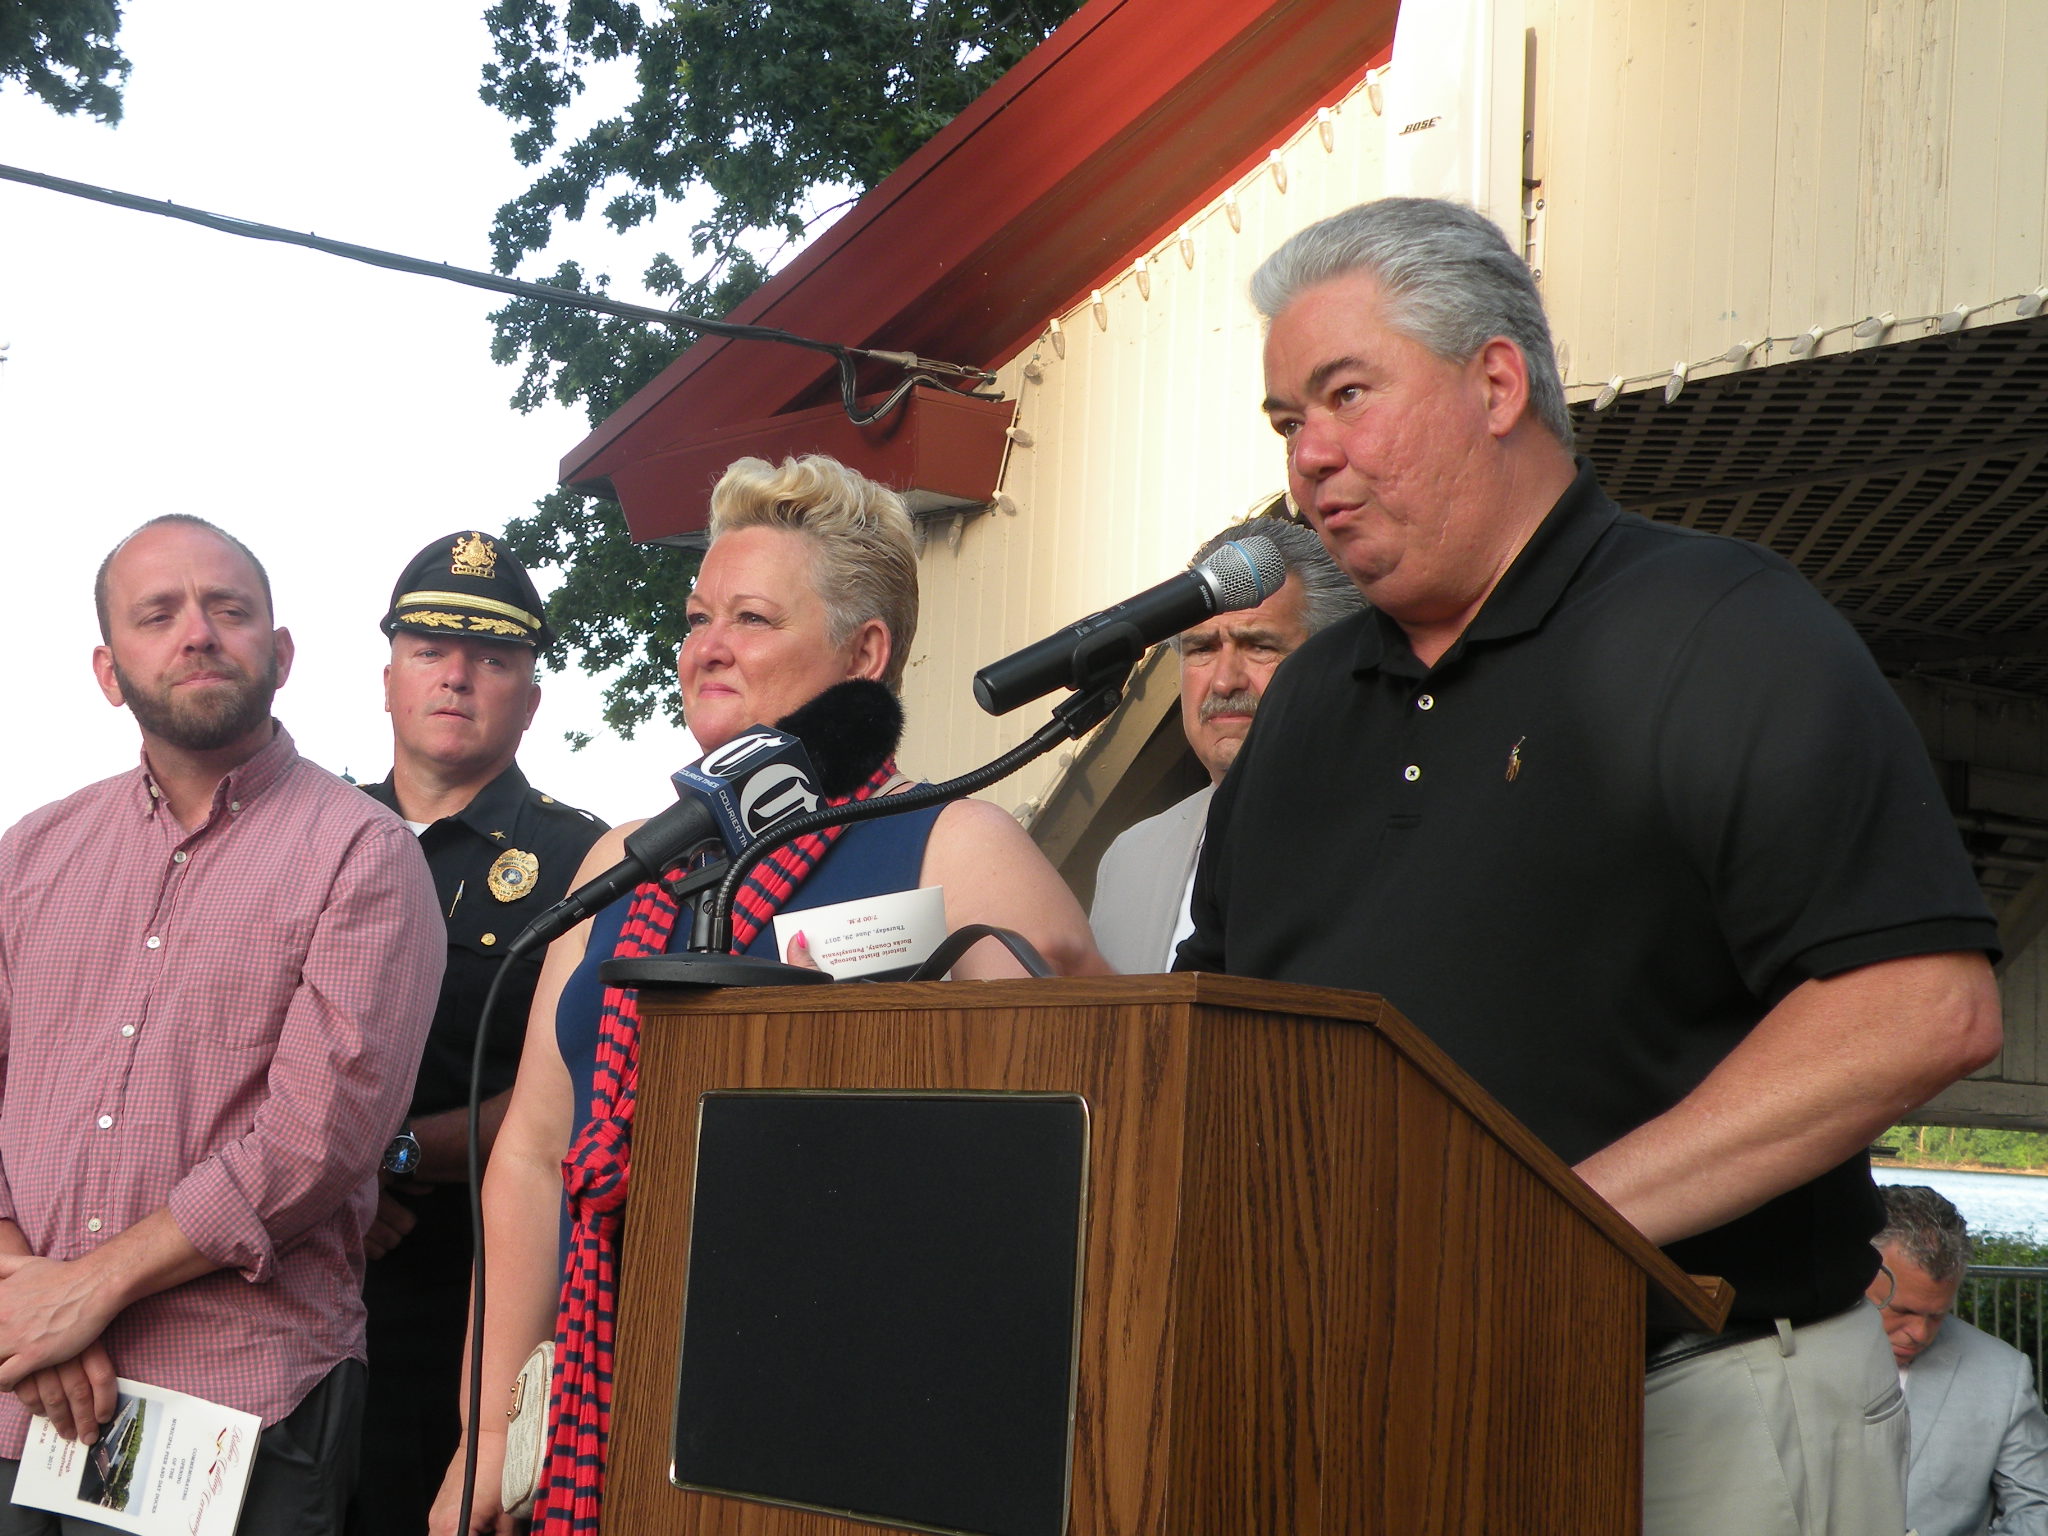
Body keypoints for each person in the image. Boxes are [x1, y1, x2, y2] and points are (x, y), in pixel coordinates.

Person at [1180, 196, 2003, 1534]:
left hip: (1708, 1410)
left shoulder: (1725, 627)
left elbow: (1923, 1005)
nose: (1309, 461)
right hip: (1375, 1403)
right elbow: (1231, 1042)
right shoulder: (1306, 702)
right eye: (1286, 423)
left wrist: (1532, 1231)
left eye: (1345, 396)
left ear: (1495, 381)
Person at [430, 455, 1109, 1535]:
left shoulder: (957, 849)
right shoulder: (620, 862)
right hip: (607, 1401)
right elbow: (535, 1150)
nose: (706, 647)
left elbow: (1094, 1137)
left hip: (841, 1428)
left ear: (864, 652)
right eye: (698, 617)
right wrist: (488, 1430)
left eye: (749, 617)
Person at [0, 514, 442, 1533]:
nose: (197, 632)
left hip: (235, 1403)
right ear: (111, 673)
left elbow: (316, 1139)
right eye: (159, 614)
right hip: (20, 1388)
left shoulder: (363, 856)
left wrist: (89, 1290)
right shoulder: (32, 855)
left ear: (279, 654)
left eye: (228, 609)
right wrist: (25, 1288)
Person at [348, 532, 607, 1536]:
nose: (456, 676)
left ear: (529, 698)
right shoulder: (301, 833)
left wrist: (400, 1152)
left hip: (459, 1311)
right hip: (267, 1286)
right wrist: (334, 1180)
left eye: (492, 659)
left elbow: (587, 1081)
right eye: (428, 650)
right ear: (388, 680)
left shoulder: (585, 859)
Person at [1089, 506, 1358, 972]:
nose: (1223, 681)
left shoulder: (1381, 828)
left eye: (1259, 645)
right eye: (1202, 649)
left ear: (1337, 657)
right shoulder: (1131, 858)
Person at [1864, 1185, 2048, 1536]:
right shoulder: (1790, 1353)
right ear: (1856, 1274)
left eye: (1937, 1315)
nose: (1919, 1333)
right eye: (1902, 1310)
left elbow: (2037, 1504)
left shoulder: (2002, 1375)